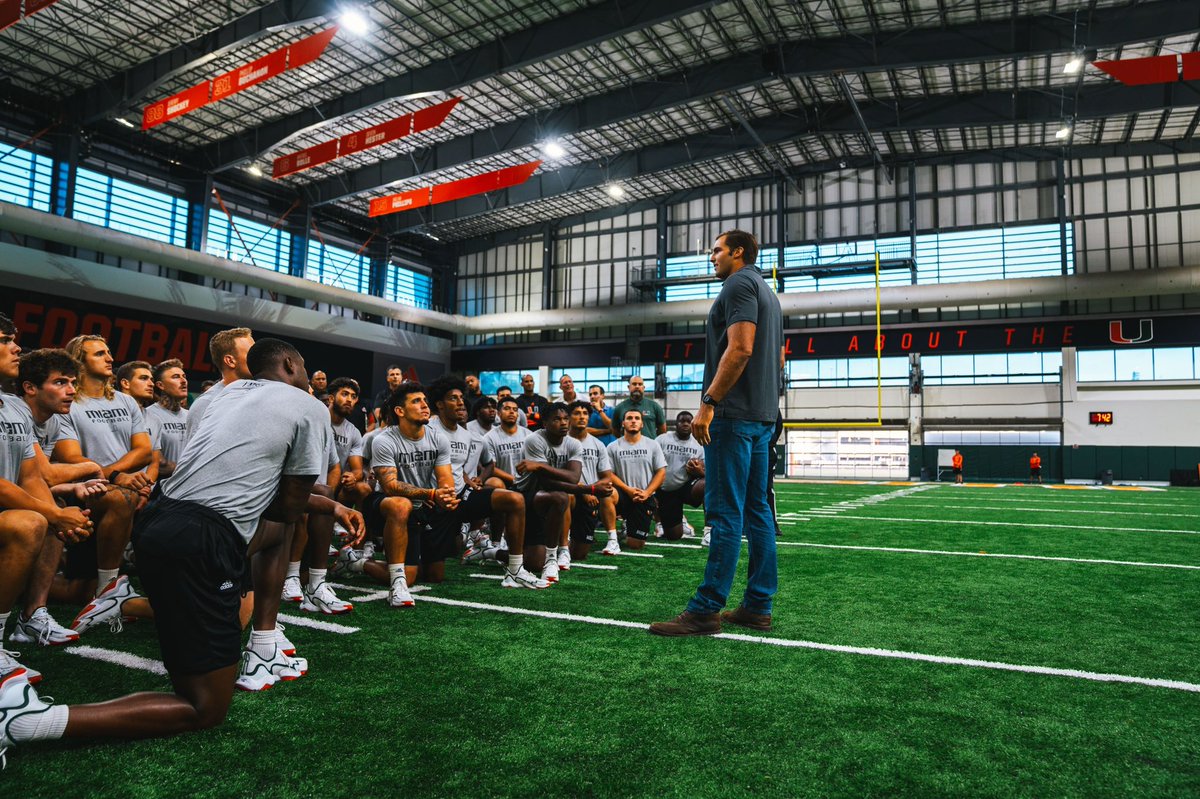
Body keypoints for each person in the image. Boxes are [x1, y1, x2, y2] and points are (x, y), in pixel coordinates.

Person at [0, 338, 336, 756]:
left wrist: (331, 506)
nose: (308, 375)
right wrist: (329, 505)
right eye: (304, 367)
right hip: (201, 537)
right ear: (289, 364)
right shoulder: (308, 405)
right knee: (204, 706)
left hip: (158, 518)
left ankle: (263, 646)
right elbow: (289, 505)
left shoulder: (225, 393)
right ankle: (23, 721)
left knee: (274, 540)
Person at [650, 229, 782, 637]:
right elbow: (776, 357)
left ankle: (706, 609)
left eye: (717, 250)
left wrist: (709, 402)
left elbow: (740, 348)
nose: (712, 257)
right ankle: (758, 606)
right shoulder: (767, 291)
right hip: (762, 415)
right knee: (757, 510)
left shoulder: (740, 283)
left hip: (735, 416)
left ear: (738, 252)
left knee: (724, 512)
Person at [0, 317, 93, 678]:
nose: (16, 348)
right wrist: (53, 515)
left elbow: (30, 476)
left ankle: (28, 620)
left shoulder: (13, 408)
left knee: (48, 514)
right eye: (6, 340)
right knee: (33, 520)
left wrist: (58, 515)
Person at [512, 402, 585, 584]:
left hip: (549, 497)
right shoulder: (535, 440)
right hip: (526, 495)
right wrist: (589, 489)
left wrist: (539, 465)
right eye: (557, 419)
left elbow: (574, 477)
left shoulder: (574, 444)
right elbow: (546, 481)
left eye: (566, 418)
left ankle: (553, 557)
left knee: (562, 497)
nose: (563, 423)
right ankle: (492, 551)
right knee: (533, 562)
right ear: (545, 423)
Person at [604, 409, 666, 553]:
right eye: (629, 418)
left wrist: (647, 492)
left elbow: (661, 472)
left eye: (637, 418)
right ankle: (612, 540)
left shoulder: (652, 444)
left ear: (642, 424)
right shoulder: (613, 447)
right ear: (623, 423)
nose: (633, 421)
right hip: (623, 494)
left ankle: (628, 526)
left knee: (635, 545)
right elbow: (608, 474)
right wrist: (627, 490)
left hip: (643, 496)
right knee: (607, 493)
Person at [565, 400, 615, 564]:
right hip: (569, 492)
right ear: (569, 417)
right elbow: (561, 475)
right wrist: (585, 491)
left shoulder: (598, 444)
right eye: (576, 413)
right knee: (567, 496)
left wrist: (593, 490)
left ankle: (612, 539)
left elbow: (607, 476)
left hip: (591, 496)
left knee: (579, 554)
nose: (581, 417)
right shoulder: (560, 441)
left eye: (585, 413)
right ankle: (562, 544)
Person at [657, 411, 705, 542]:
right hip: (665, 489)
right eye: (681, 421)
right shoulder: (662, 439)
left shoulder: (699, 443)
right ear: (675, 424)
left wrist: (699, 471)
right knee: (674, 536)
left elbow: (706, 471)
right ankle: (675, 520)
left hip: (686, 487)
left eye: (688, 421)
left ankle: (709, 530)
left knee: (707, 484)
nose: (685, 424)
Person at [146, 359, 189, 480]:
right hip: (161, 491)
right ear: (160, 385)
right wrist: (192, 471)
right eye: (176, 377)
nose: (183, 381)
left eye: (184, 376)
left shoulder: (191, 415)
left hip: (191, 490)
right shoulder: (148, 415)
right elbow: (158, 464)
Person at [370, 365, 405, 431]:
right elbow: (378, 414)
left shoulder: (407, 394)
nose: (395, 376)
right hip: (386, 428)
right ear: (387, 378)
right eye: (392, 374)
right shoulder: (382, 395)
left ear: (401, 377)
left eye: (397, 374)